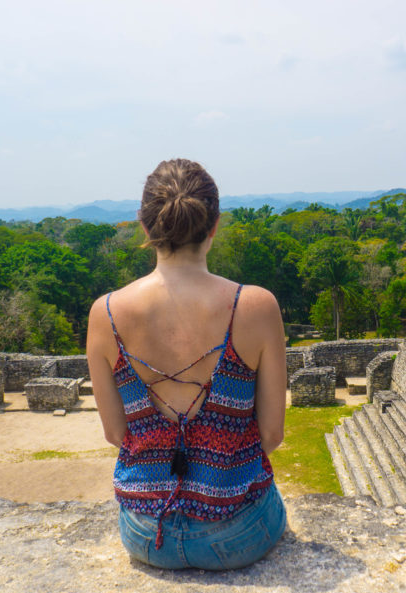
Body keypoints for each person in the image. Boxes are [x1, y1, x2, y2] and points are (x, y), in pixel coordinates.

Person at [86, 158, 287, 570]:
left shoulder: (105, 313)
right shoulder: (255, 307)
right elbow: (271, 433)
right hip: (237, 530)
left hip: (145, 532)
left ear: (146, 227)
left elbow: (115, 434)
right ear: (213, 225)